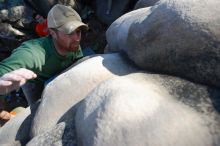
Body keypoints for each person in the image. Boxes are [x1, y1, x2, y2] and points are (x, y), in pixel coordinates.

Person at [0, 4, 89, 121]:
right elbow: (3, 72)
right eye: (69, 32)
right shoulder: (34, 53)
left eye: (79, 31)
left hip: (58, 74)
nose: (77, 38)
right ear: (52, 32)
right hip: (36, 82)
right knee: (38, 115)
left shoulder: (71, 44)